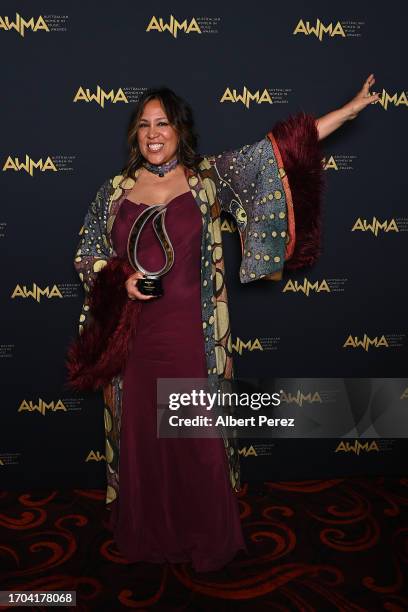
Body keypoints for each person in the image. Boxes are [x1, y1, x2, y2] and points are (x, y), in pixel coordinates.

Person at [66, 76, 379, 572]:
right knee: (141, 434)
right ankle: (148, 534)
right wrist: (120, 279)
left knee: (198, 438)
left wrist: (349, 110)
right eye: (143, 125)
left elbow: (277, 154)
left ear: (179, 130)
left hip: (195, 337)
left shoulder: (208, 179)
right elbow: (87, 255)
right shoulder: (114, 191)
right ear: (134, 135)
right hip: (134, 339)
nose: (152, 133)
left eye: (162, 123)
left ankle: (206, 539)